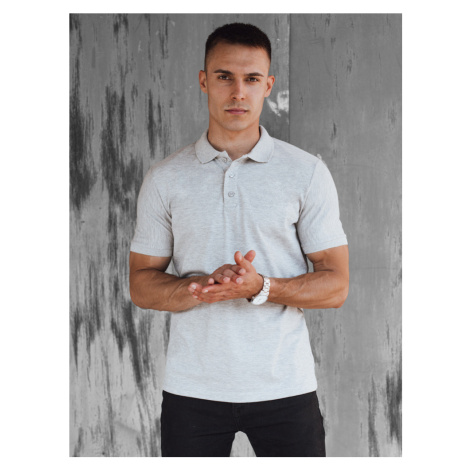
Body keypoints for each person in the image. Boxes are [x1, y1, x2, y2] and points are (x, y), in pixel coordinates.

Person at [129, 22, 349, 457]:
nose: (237, 92)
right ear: (203, 81)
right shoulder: (165, 178)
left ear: (268, 85)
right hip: (192, 389)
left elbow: (336, 285)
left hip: (285, 387)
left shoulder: (306, 172)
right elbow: (140, 283)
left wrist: (261, 287)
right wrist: (198, 287)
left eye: (251, 79)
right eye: (224, 76)